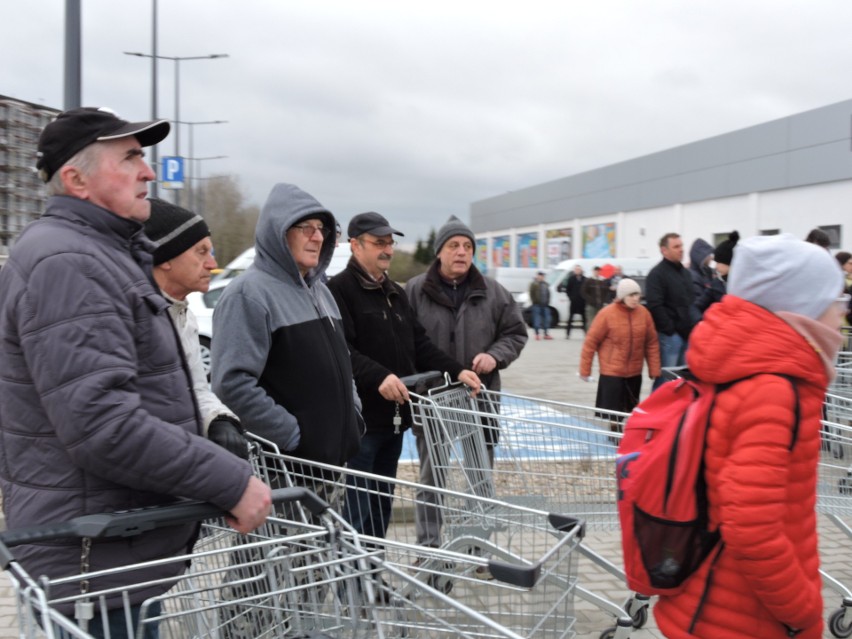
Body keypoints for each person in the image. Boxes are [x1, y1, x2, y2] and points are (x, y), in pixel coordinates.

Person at [0, 107, 270, 637]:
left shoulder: (102, 254)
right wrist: (230, 482)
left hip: (111, 554)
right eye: (129, 159)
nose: (148, 173)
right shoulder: (68, 262)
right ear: (76, 180)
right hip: (91, 564)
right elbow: (102, 424)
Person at [654, 233, 845, 639]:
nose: (841, 314)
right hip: (745, 615)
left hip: (713, 600)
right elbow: (750, 526)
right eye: (836, 301)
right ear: (802, 307)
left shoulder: (753, 370)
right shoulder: (774, 389)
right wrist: (800, 609)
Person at [327, 211, 481, 540]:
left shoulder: (394, 292)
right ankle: (352, 587)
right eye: (378, 242)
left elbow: (419, 344)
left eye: (390, 243)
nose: (387, 249)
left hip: (395, 418)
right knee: (356, 509)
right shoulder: (338, 291)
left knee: (380, 505)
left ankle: (374, 581)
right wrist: (379, 376)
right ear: (355, 245)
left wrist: (457, 369)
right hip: (361, 422)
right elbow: (341, 351)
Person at [211, 183, 363, 500]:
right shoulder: (248, 294)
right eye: (305, 227)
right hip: (282, 478)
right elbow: (232, 384)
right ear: (277, 232)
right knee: (280, 551)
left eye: (321, 228)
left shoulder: (322, 291)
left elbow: (342, 364)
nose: (317, 237)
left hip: (332, 471)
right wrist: (294, 437)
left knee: (333, 551)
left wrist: (353, 417)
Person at [405, 214, 528, 548]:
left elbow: (516, 333)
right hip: (431, 402)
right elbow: (402, 341)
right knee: (432, 479)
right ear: (439, 252)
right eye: (453, 245)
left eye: (467, 246)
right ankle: (428, 547)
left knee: (480, 478)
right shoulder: (414, 292)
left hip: (480, 399)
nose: (461, 252)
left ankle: (479, 546)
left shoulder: (494, 292)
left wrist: (495, 355)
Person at [143, 198, 248, 459]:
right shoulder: (137, 317)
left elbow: (196, 388)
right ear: (166, 258)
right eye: (201, 252)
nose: (212, 265)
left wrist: (218, 418)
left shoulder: (183, 314)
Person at [579, 279, 660, 430]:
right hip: (612, 371)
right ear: (622, 296)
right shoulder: (607, 314)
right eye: (631, 295)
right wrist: (585, 370)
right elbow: (590, 342)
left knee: (629, 408)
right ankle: (614, 430)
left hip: (634, 371)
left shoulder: (644, 314)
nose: (636, 298)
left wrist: (654, 369)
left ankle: (624, 431)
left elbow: (651, 343)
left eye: (638, 295)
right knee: (613, 411)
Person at [645, 233, 698, 389]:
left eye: (681, 246)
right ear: (664, 250)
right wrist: (669, 330)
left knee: (682, 382)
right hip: (670, 337)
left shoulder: (686, 274)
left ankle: (675, 413)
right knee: (665, 381)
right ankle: (654, 412)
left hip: (686, 335)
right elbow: (655, 305)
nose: (681, 250)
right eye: (676, 247)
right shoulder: (657, 274)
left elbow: (690, 303)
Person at [705, 231, 739, 309]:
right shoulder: (716, 284)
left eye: (718, 262)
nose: (716, 267)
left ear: (728, 262)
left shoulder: (744, 286)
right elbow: (698, 305)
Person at [688, 237, 715, 317]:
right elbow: (698, 302)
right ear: (700, 257)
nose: (711, 257)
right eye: (708, 255)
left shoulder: (706, 271)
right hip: (702, 317)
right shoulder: (693, 276)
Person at [561, 264, 587, 338]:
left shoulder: (585, 279)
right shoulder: (571, 279)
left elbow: (587, 290)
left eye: (579, 269)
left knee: (584, 319)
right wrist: (571, 297)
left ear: (581, 270)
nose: (577, 271)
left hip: (582, 302)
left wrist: (585, 298)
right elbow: (567, 290)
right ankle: (568, 334)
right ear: (574, 271)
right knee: (570, 318)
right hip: (573, 302)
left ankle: (586, 333)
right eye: (576, 270)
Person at [528, 271, 553, 339]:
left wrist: (548, 301)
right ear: (537, 276)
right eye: (540, 276)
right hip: (537, 305)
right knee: (537, 319)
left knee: (547, 319)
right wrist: (534, 301)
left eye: (542, 276)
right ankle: (537, 334)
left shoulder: (545, 284)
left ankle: (546, 334)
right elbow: (531, 293)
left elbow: (548, 293)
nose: (541, 277)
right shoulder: (534, 284)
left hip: (545, 304)